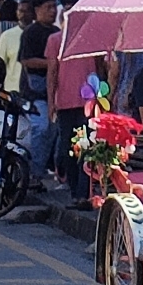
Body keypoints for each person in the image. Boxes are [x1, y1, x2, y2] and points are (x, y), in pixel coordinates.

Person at [47, 27, 103, 209]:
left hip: (89, 101)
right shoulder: (56, 40)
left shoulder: (92, 36)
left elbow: (100, 66)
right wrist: (51, 101)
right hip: (65, 103)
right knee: (68, 150)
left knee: (87, 148)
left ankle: (83, 193)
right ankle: (75, 192)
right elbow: (52, 71)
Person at [18, 0, 61, 179]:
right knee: (42, 128)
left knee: (53, 131)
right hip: (35, 92)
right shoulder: (30, 32)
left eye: (54, 7)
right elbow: (27, 61)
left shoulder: (56, 32)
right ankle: (34, 173)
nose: (52, 11)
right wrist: (52, 63)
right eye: (48, 7)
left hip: (54, 91)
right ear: (37, 10)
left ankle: (43, 170)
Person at [0, 0, 33, 107]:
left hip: (35, 93)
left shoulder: (41, 33)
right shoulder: (7, 36)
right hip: (12, 93)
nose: (24, 14)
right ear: (17, 13)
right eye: (21, 11)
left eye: (27, 11)